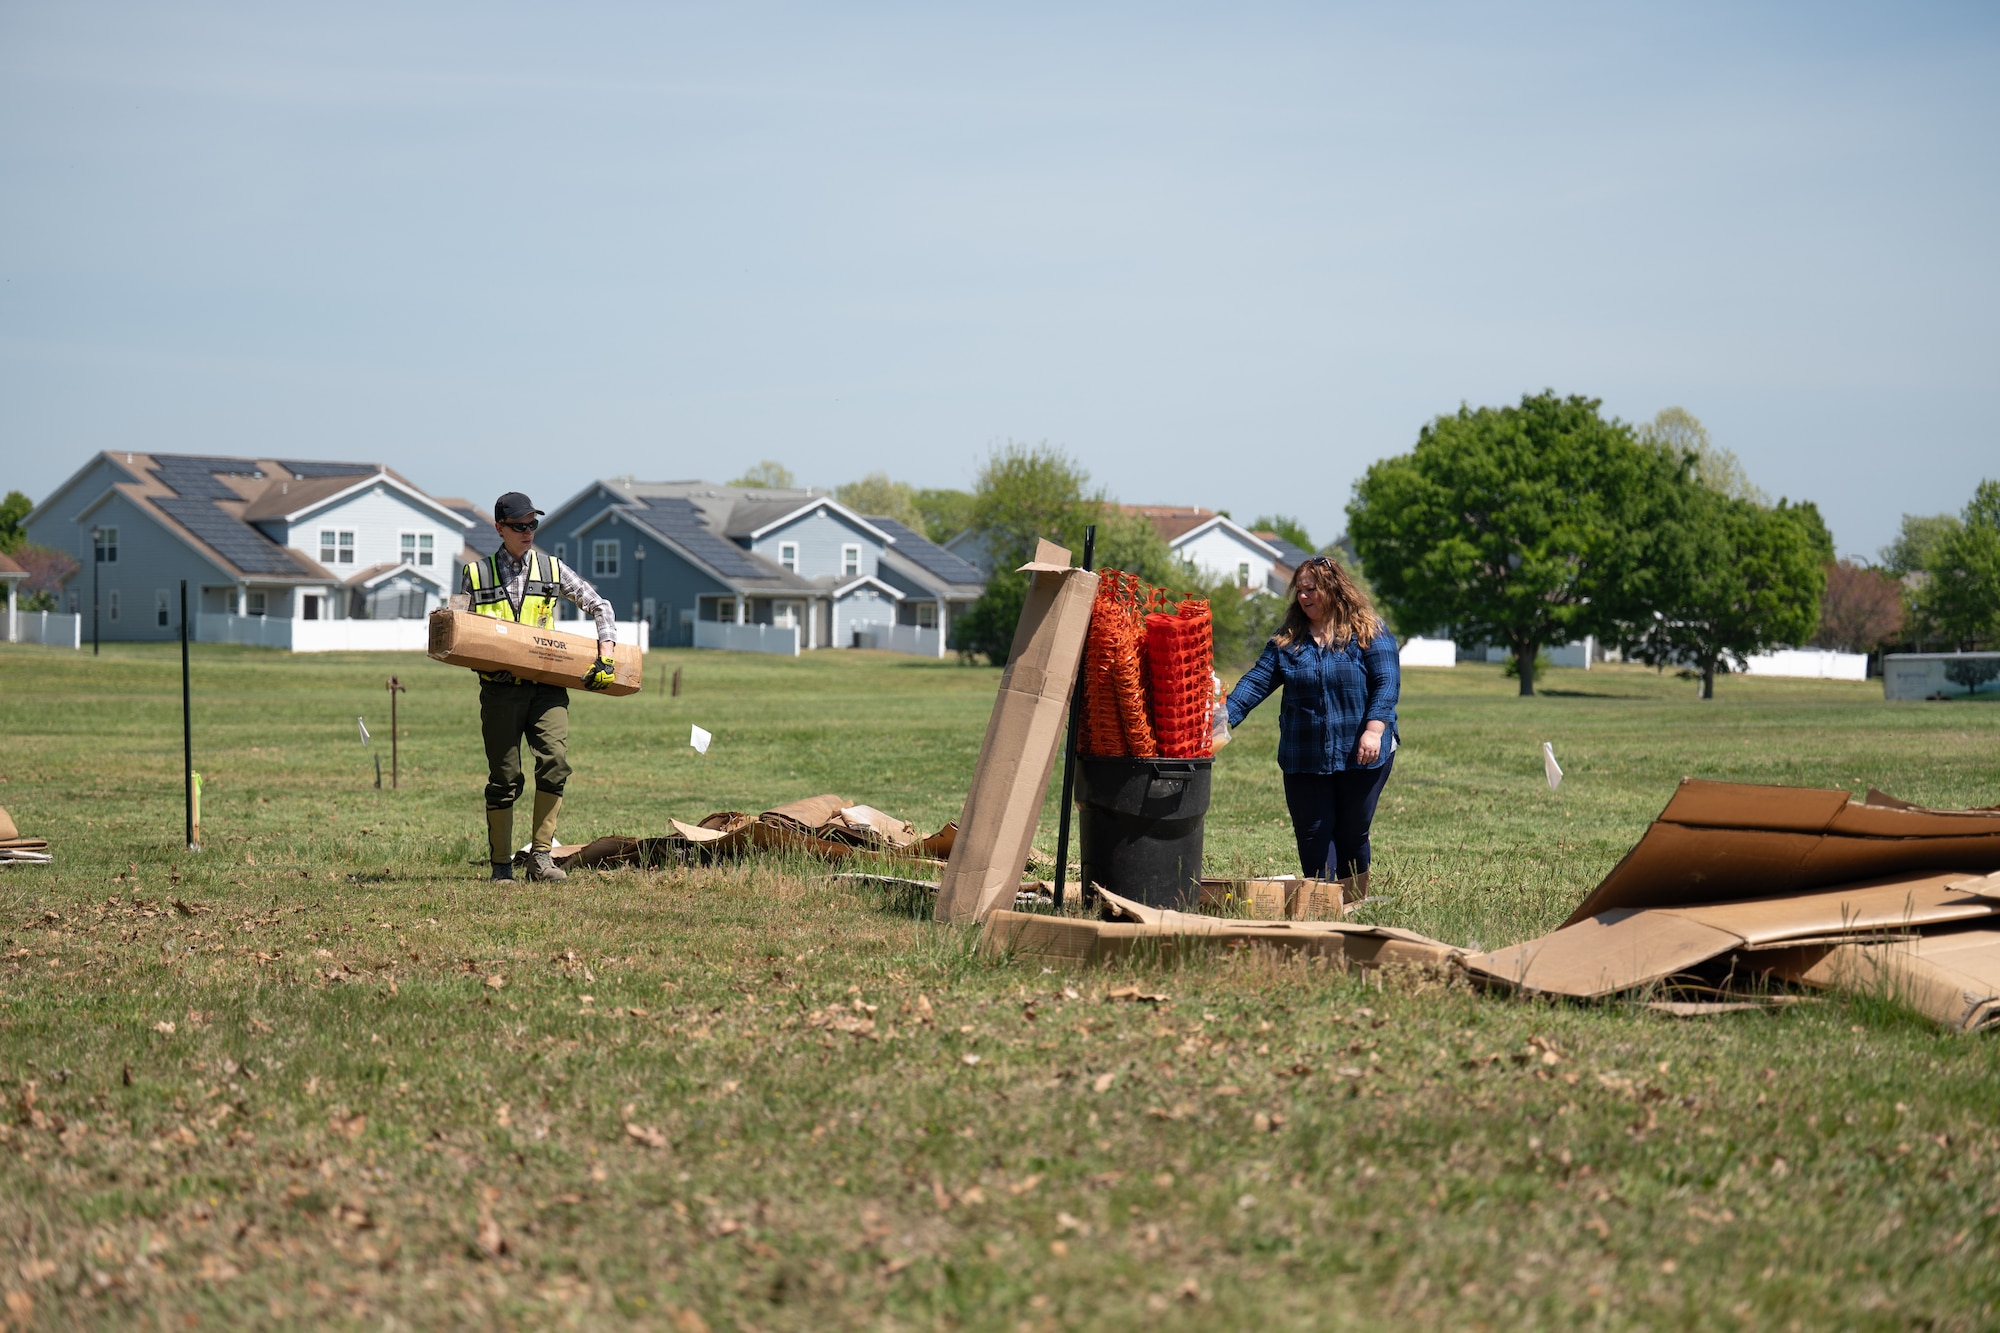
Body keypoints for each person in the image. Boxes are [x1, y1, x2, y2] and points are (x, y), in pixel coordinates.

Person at [460, 492, 620, 884]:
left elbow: (600, 605)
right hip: (499, 692)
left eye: (533, 525)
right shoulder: (476, 575)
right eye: (519, 526)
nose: (528, 532)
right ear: (499, 528)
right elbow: (457, 632)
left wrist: (607, 654)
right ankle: (501, 866)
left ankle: (541, 859)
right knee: (505, 778)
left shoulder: (552, 569)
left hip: (547, 689)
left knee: (555, 763)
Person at [1223, 554, 1399, 898]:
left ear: (1333, 589)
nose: (1303, 596)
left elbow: (1387, 682)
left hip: (1362, 751)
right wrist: (1219, 719)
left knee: (1352, 832)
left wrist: (1374, 729)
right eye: (1299, 590)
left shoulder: (1369, 631)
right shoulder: (1289, 639)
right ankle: (1323, 904)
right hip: (1304, 755)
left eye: (1311, 588)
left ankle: (1354, 902)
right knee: (1314, 832)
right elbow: (1256, 682)